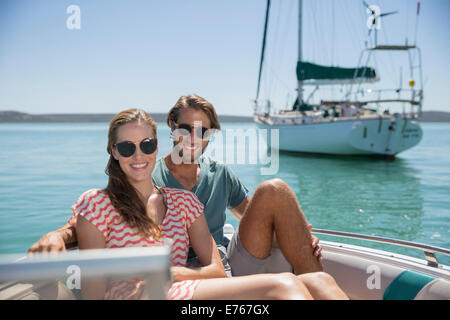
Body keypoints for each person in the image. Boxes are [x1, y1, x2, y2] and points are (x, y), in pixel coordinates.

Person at [30, 94, 323, 278]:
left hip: (226, 262)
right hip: (176, 269)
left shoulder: (220, 173)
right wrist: (58, 235)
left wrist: (297, 238)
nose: (193, 138)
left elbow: (252, 219)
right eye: (186, 129)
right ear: (172, 127)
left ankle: (315, 279)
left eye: (203, 131)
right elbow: (98, 215)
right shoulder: (147, 174)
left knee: (274, 189)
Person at [71, 108, 348, 299]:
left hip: (183, 287)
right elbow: (94, 293)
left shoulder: (183, 201)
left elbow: (217, 269)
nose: (138, 155)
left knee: (319, 281)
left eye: (146, 145)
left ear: (156, 145)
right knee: (284, 285)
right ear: (113, 151)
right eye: (127, 148)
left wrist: (296, 235)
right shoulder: (96, 204)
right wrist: (58, 235)